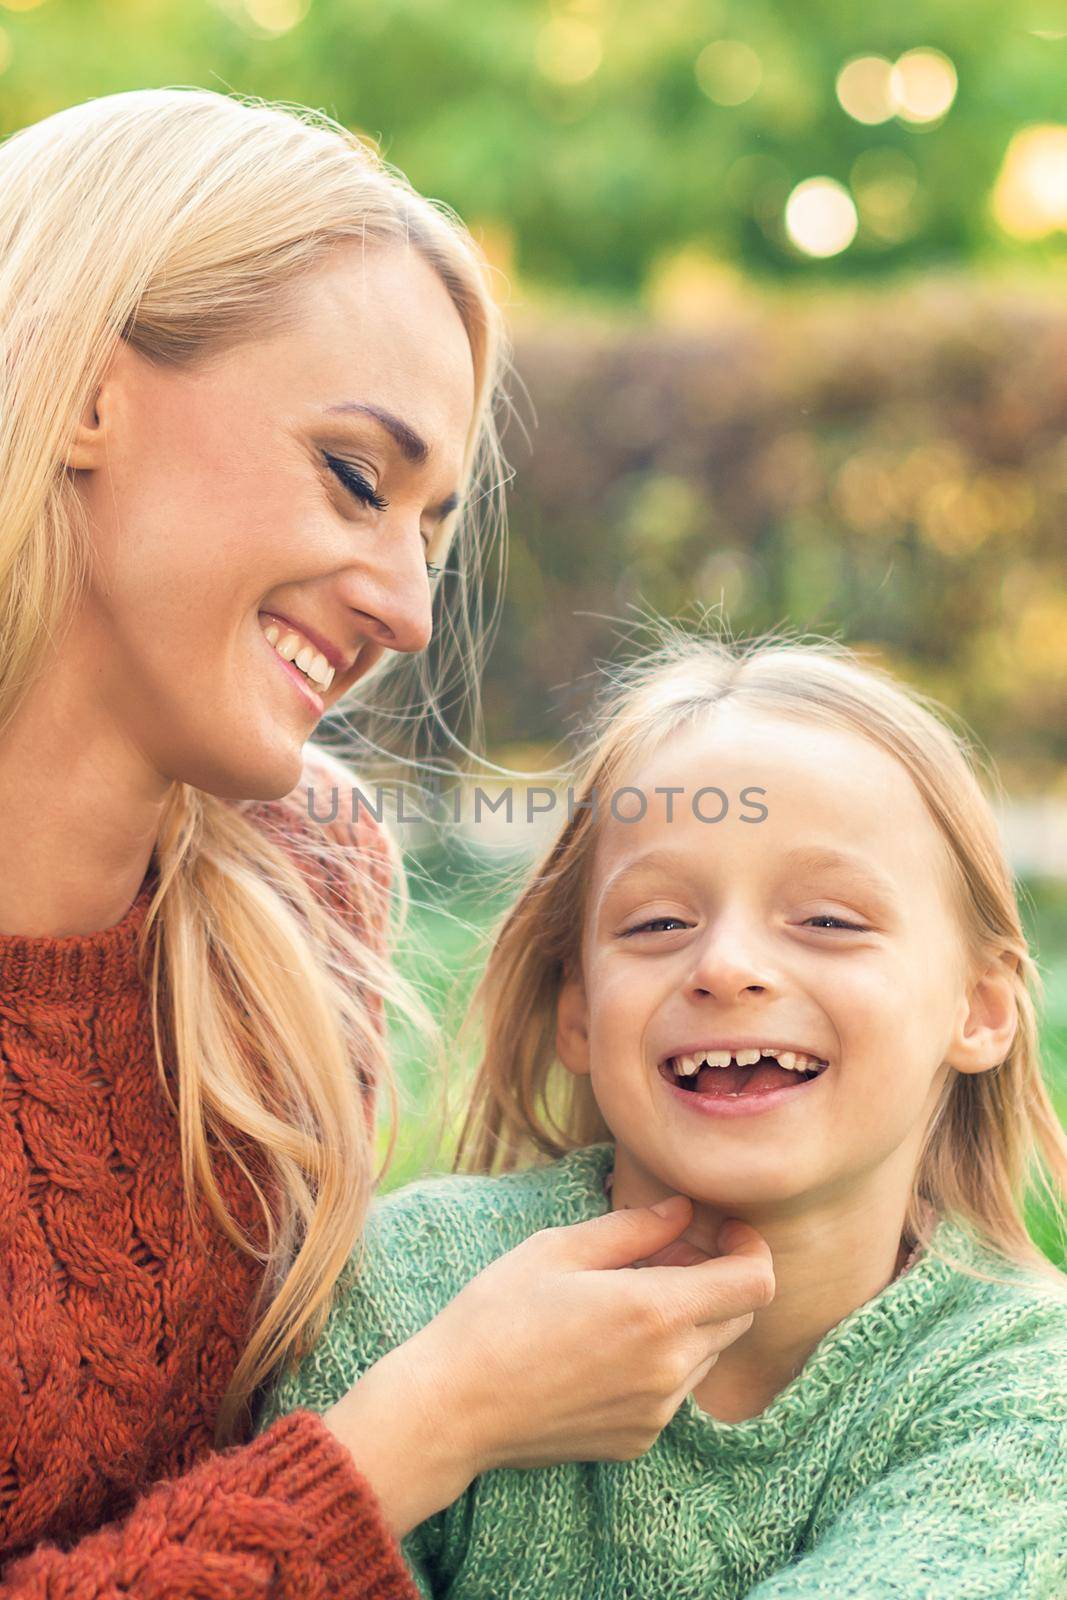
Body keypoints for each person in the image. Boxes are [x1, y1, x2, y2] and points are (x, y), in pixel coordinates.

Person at [0, 93, 778, 1598]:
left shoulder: (309, 889)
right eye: (356, 477)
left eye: (428, 529)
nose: (406, 613)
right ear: (84, 389)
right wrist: (424, 1428)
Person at [261, 627, 1067, 1598]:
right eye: (657, 923)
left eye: (826, 919)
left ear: (977, 1010)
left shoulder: (1029, 1391)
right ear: (578, 1013)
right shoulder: (403, 1296)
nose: (725, 965)